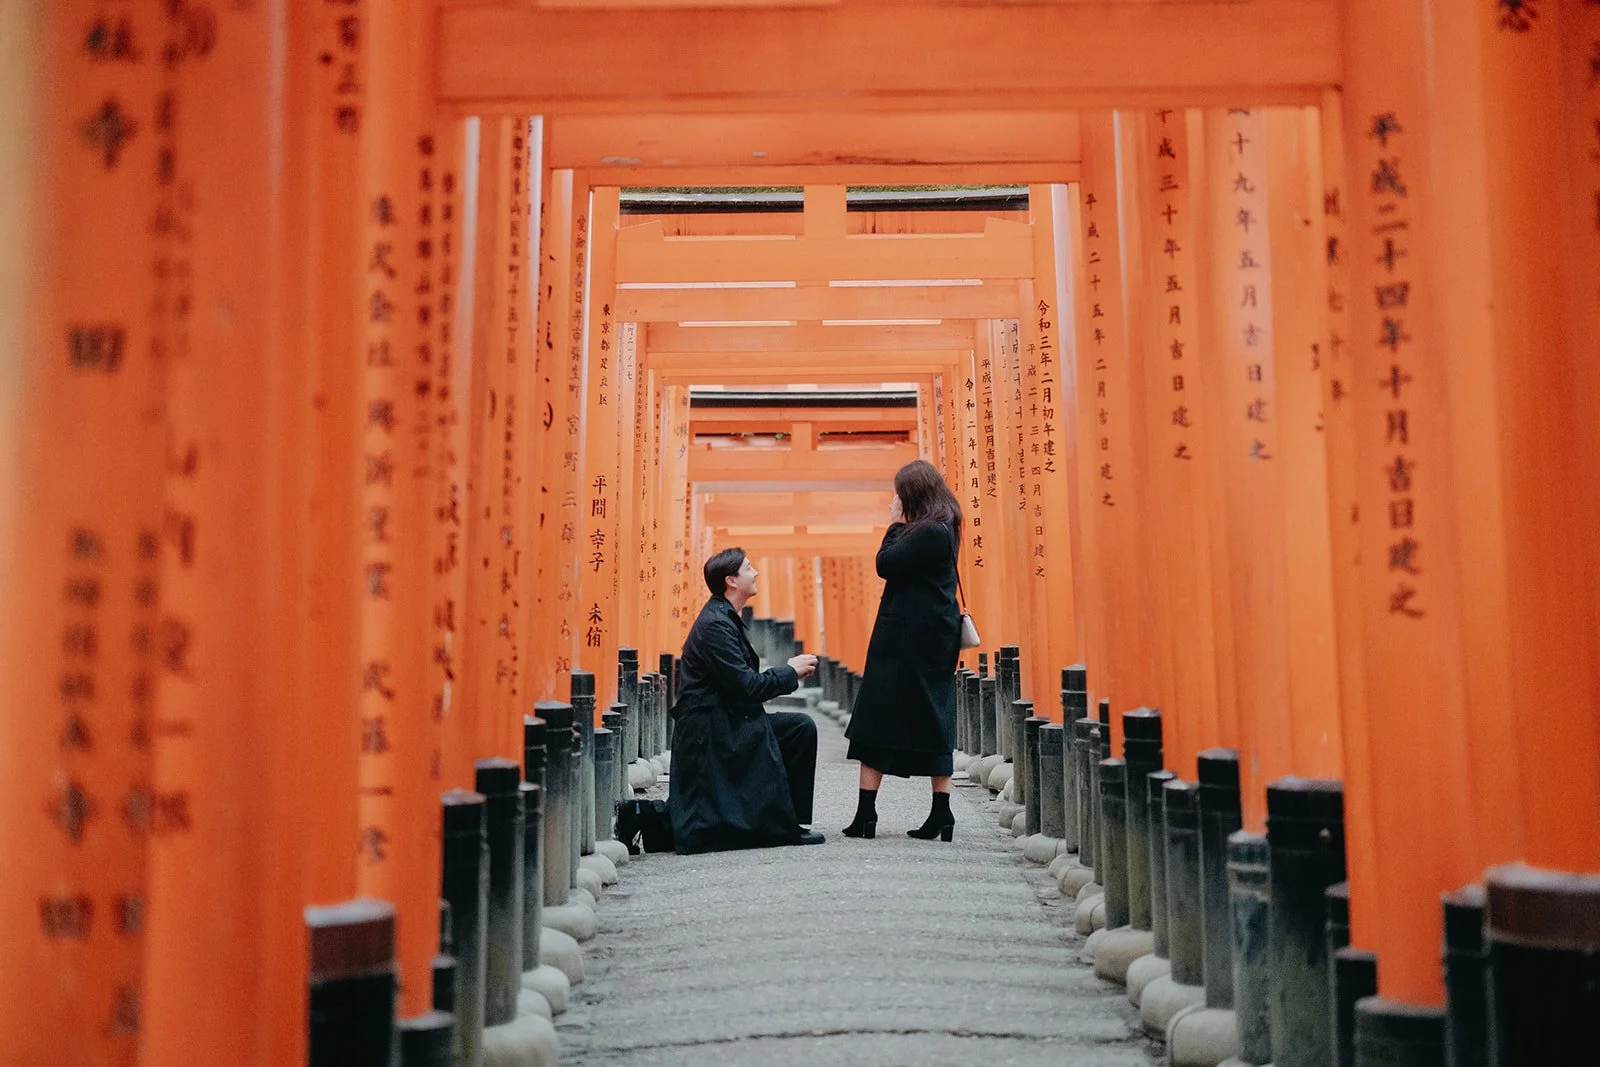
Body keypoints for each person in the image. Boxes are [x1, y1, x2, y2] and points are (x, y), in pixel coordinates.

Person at [668, 547, 825, 854]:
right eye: (748, 568)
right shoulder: (715, 624)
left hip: (726, 719)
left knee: (799, 729)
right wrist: (789, 672)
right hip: (710, 730)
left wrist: (787, 674)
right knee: (791, 729)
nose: (755, 573)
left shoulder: (724, 617)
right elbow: (746, 686)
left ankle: (791, 821)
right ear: (732, 581)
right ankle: (779, 826)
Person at [843, 459, 963, 842]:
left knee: (877, 716)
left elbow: (886, 564)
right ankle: (940, 814)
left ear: (912, 493)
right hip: (932, 638)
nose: (895, 499)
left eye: (899, 493)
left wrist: (894, 524)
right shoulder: (945, 527)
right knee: (934, 714)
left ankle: (867, 814)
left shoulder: (927, 531)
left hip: (906, 641)